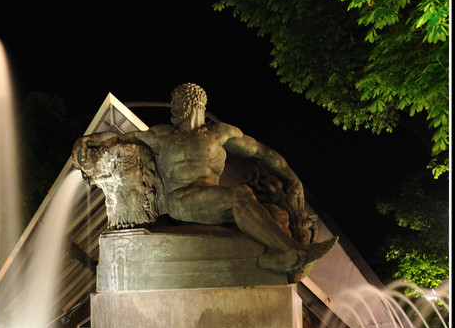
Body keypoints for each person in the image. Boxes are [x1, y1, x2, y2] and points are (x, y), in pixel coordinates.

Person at [73, 83, 334, 279]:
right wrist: (86, 140)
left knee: (278, 215)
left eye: (175, 102)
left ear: (191, 104)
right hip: (180, 201)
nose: (172, 107)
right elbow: (120, 139)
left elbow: (262, 153)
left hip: (213, 202)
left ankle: (270, 262)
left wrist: (293, 179)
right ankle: (294, 251)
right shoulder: (162, 135)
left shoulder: (220, 134)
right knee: (240, 194)